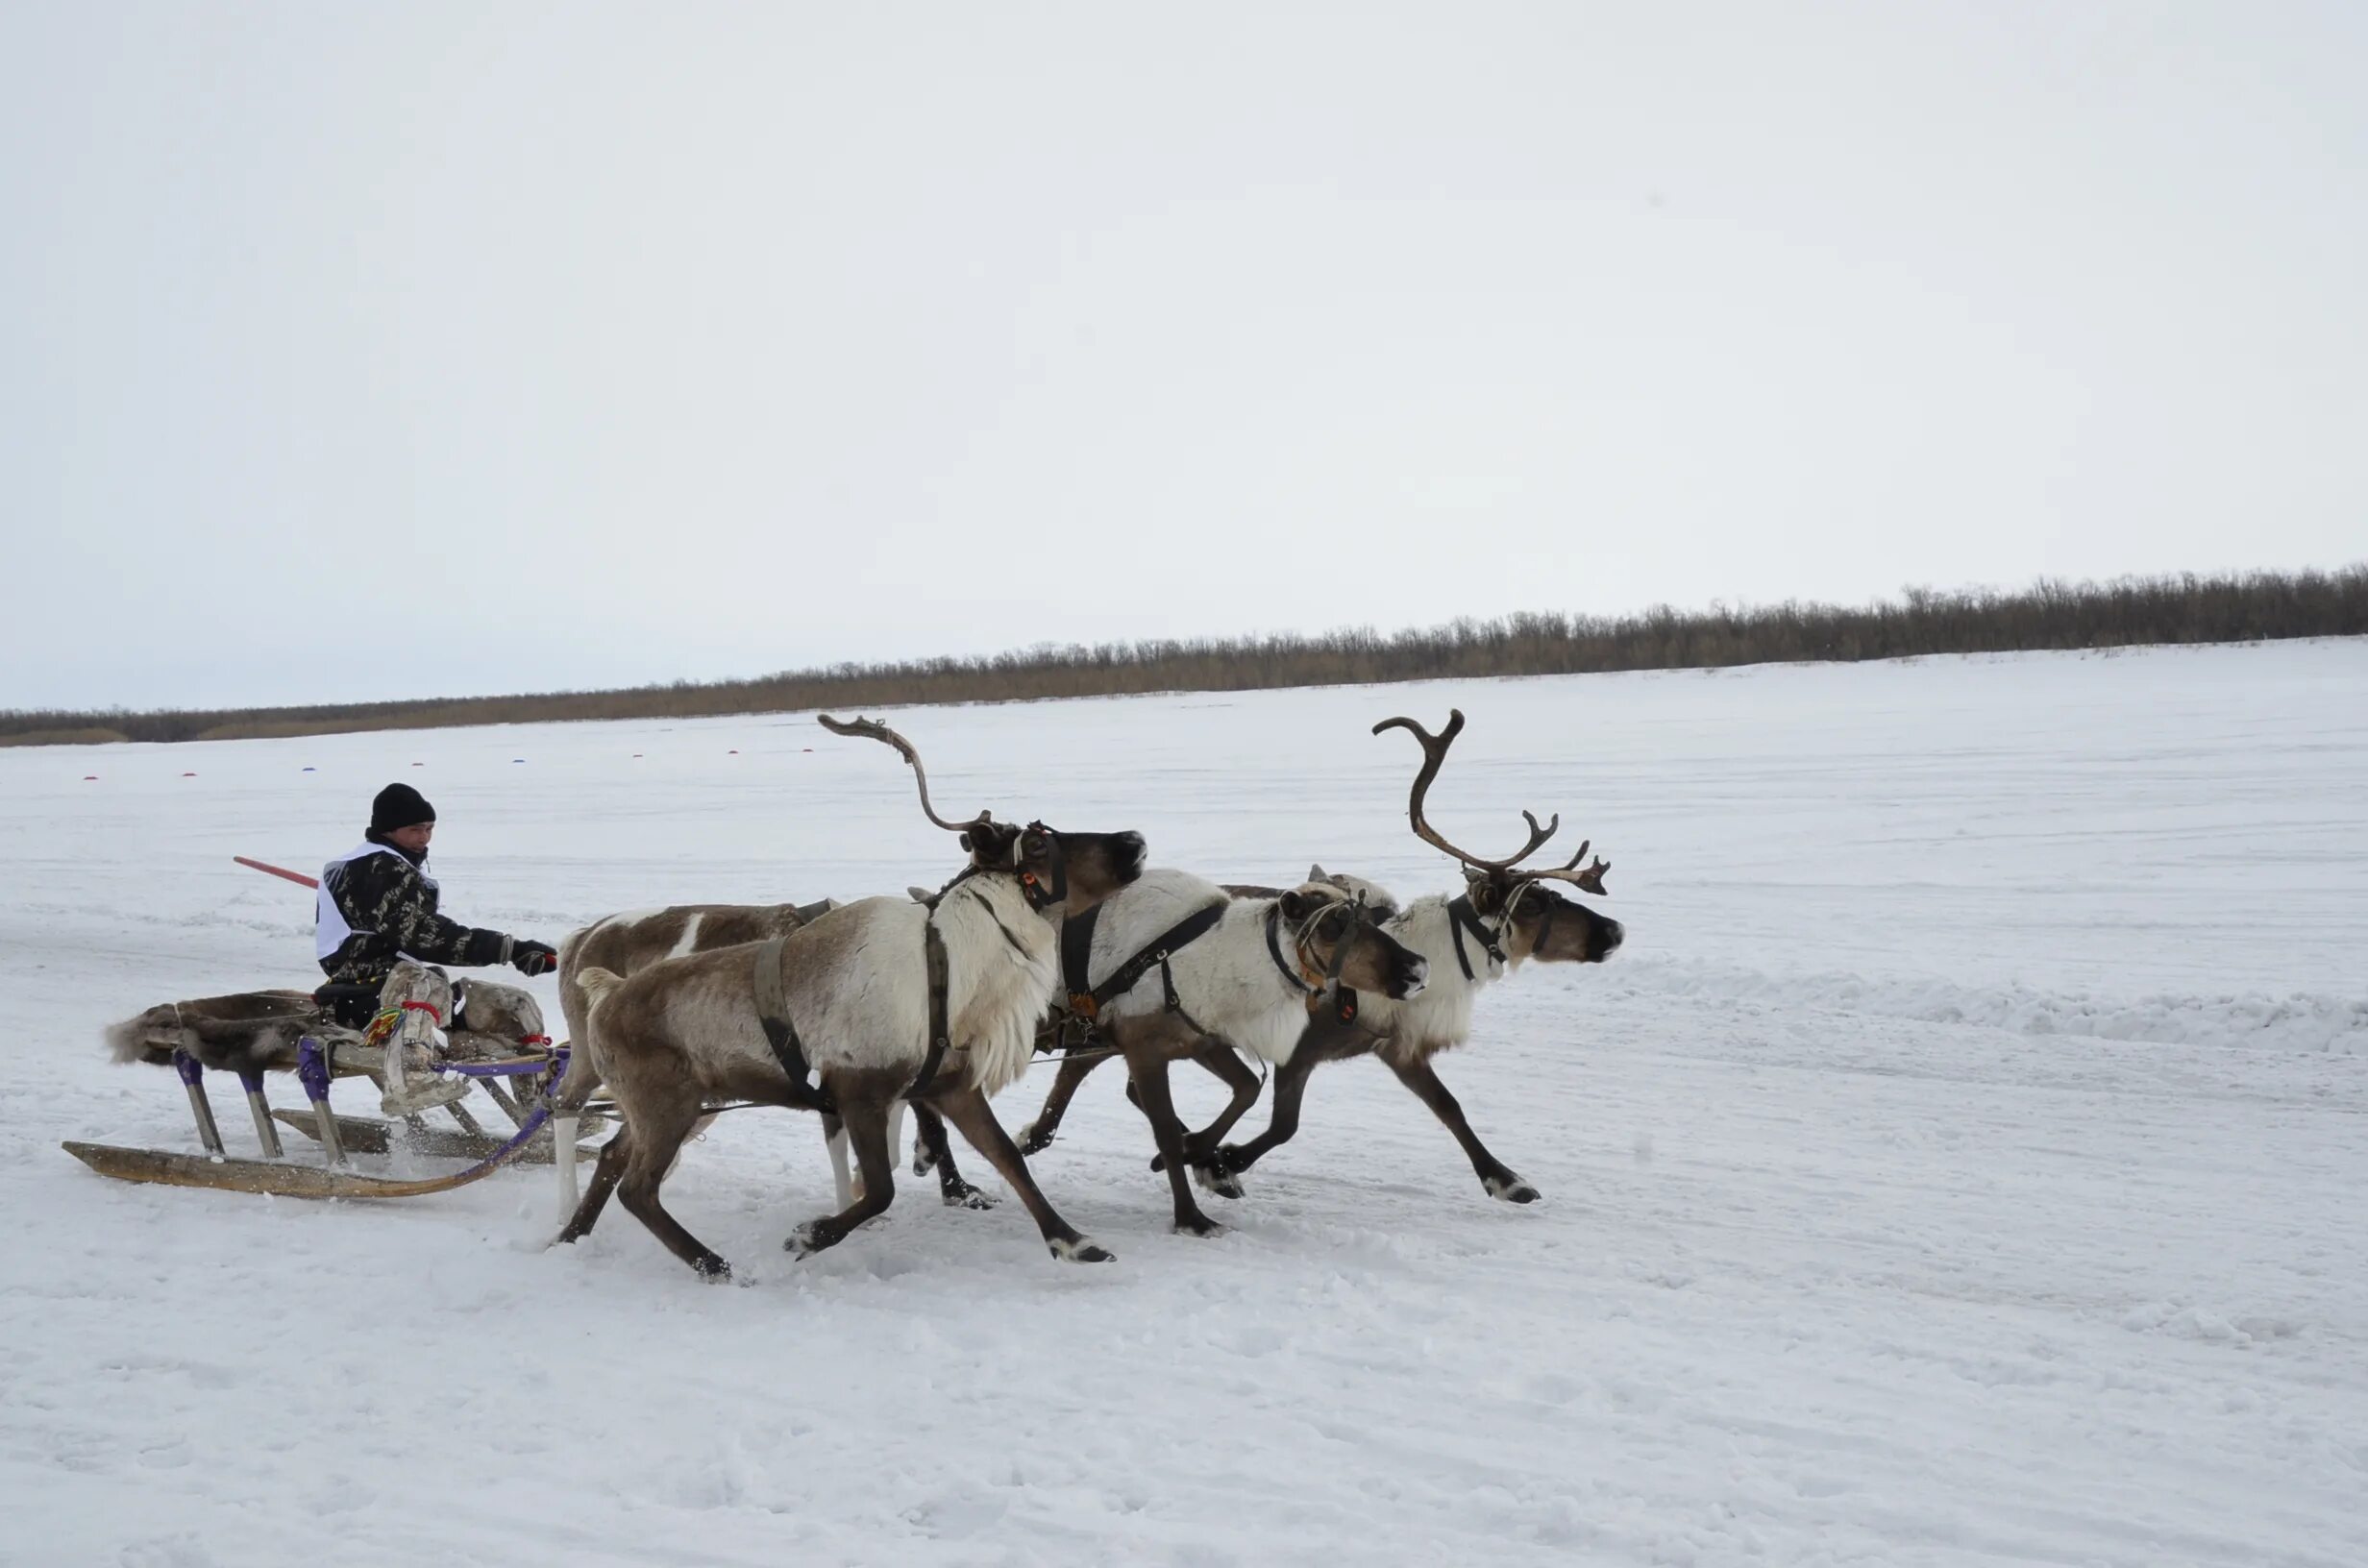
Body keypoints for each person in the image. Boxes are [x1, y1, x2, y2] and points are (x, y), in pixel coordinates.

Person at [315, 783, 559, 1014]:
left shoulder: (380, 861)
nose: (423, 838)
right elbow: (425, 935)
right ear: (388, 830)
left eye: (429, 829)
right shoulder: (378, 867)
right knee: (488, 1008)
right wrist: (509, 949)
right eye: (415, 830)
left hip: (389, 975)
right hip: (364, 981)